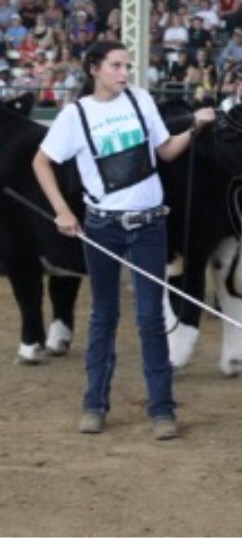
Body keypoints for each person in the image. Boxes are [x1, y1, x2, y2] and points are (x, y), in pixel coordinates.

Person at [32, 40, 215, 440]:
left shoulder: (142, 101)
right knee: (104, 315)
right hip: (102, 227)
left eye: (126, 66)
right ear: (94, 68)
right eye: (116, 66)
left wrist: (194, 127)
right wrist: (62, 211)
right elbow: (41, 162)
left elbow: (166, 152)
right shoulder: (74, 115)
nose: (123, 73)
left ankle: (162, 411)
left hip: (150, 225)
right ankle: (93, 404)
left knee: (150, 317)